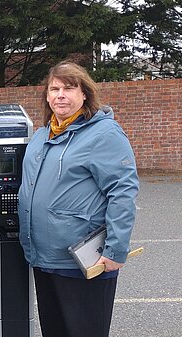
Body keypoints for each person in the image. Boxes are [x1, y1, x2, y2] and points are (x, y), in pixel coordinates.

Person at [18, 60, 139, 337]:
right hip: (45, 257)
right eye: (54, 89)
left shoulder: (103, 134)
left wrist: (115, 250)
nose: (60, 94)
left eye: (69, 88)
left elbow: (123, 190)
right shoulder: (41, 135)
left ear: (84, 93)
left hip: (85, 260)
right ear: (47, 96)